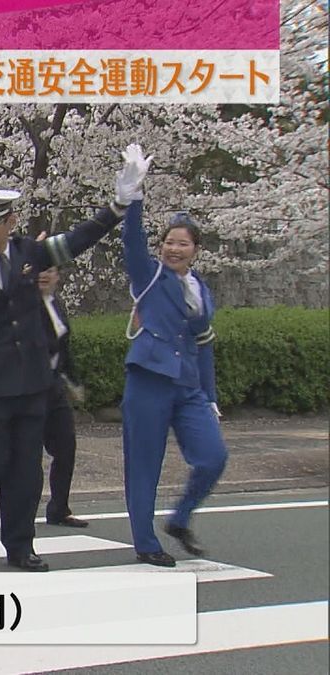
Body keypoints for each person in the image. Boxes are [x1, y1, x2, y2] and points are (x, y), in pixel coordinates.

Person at [0, 145, 146, 572]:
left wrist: (119, 204)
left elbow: (79, 239)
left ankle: (19, 546)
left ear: (10, 222)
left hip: (32, 382)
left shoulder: (31, 252)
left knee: (26, 470)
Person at [120, 157, 227, 567]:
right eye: (169, 242)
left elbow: (204, 343)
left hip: (188, 387)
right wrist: (134, 198)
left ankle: (180, 518)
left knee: (213, 456)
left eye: (183, 243)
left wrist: (211, 396)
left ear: (195, 250)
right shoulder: (148, 275)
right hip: (148, 380)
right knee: (144, 465)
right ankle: (146, 543)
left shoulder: (201, 289)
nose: (174, 248)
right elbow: (132, 241)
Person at [0, 265, 89, 528]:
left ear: (58, 275)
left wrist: (74, 380)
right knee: (20, 453)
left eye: (50, 270)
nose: (44, 276)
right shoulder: (23, 306)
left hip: (54, 387)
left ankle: (59, 508)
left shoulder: (56, 304)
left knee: (65, 447)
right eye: (38, 271)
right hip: (26, 388)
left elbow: (63, 347)